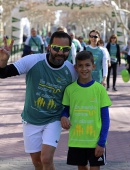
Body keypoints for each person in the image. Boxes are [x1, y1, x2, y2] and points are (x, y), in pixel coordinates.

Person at [0, 31, 77, 170]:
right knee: (37, 162)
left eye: (65, 50)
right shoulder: (33, 61)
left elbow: (77, 95)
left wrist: (66, 115)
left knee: (46, 159)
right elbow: (3, 73)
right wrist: (3, 61)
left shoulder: (71, 71)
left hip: (54, 119)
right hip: (31, 118)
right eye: (56, 48)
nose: (60, 53)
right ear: (49, 46)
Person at [61, 51, 112, 170]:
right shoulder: (70, 89)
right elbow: (66, 110)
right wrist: (63, 117)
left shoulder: (100, 89)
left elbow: (105, 118)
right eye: (80, 65)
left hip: (95, 142)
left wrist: (102, 142)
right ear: (76, 67)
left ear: (93, 66)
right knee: (81, 167)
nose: (84, 69)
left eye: (87, 65)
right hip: (77, 141)